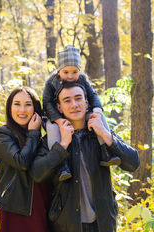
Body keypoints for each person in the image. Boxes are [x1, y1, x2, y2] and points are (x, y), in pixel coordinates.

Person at [30, 81, 140, 232]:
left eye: (78, 98)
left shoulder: (100, 134)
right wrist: (62, 145)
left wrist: (106, 135)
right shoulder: (51, 141)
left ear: (87, 103)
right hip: (65, 226)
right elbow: (38, 173)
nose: (74, 104)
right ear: (59, 107)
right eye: (67, 100)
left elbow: (133, 163)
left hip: (101, 224)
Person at [0, 87, 54, 232]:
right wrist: (33, 133)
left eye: (28, 104)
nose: (22, 110)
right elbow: (21, 161)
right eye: (17, 104)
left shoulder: (42, 137)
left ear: (36, 109)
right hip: (18, 207)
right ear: (10, 108)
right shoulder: (3, 134)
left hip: (41, 206)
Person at [43, 45, 121, 182]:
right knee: (52, 128)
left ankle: (105, 151)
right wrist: (58, 120)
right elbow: (47, 103)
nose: (70, 76)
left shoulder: (82, 79)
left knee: (99, 117)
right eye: (66, 72)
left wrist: (96, 109)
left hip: (79, 112)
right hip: (54, 115)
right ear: (59, 70)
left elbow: (92, 95)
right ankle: (61, 165)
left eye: (74, 72)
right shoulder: (51, 82)